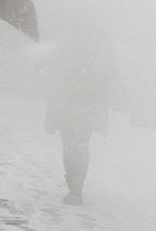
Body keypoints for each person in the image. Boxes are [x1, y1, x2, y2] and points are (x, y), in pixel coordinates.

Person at [41, 17, 116, 205]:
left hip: (77, 104)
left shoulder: (69, 46)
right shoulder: (93, 46)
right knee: (77, 145)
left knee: (74, 146)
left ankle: (75, 188)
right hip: (80, 104)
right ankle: (75, 186)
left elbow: (55, 76)